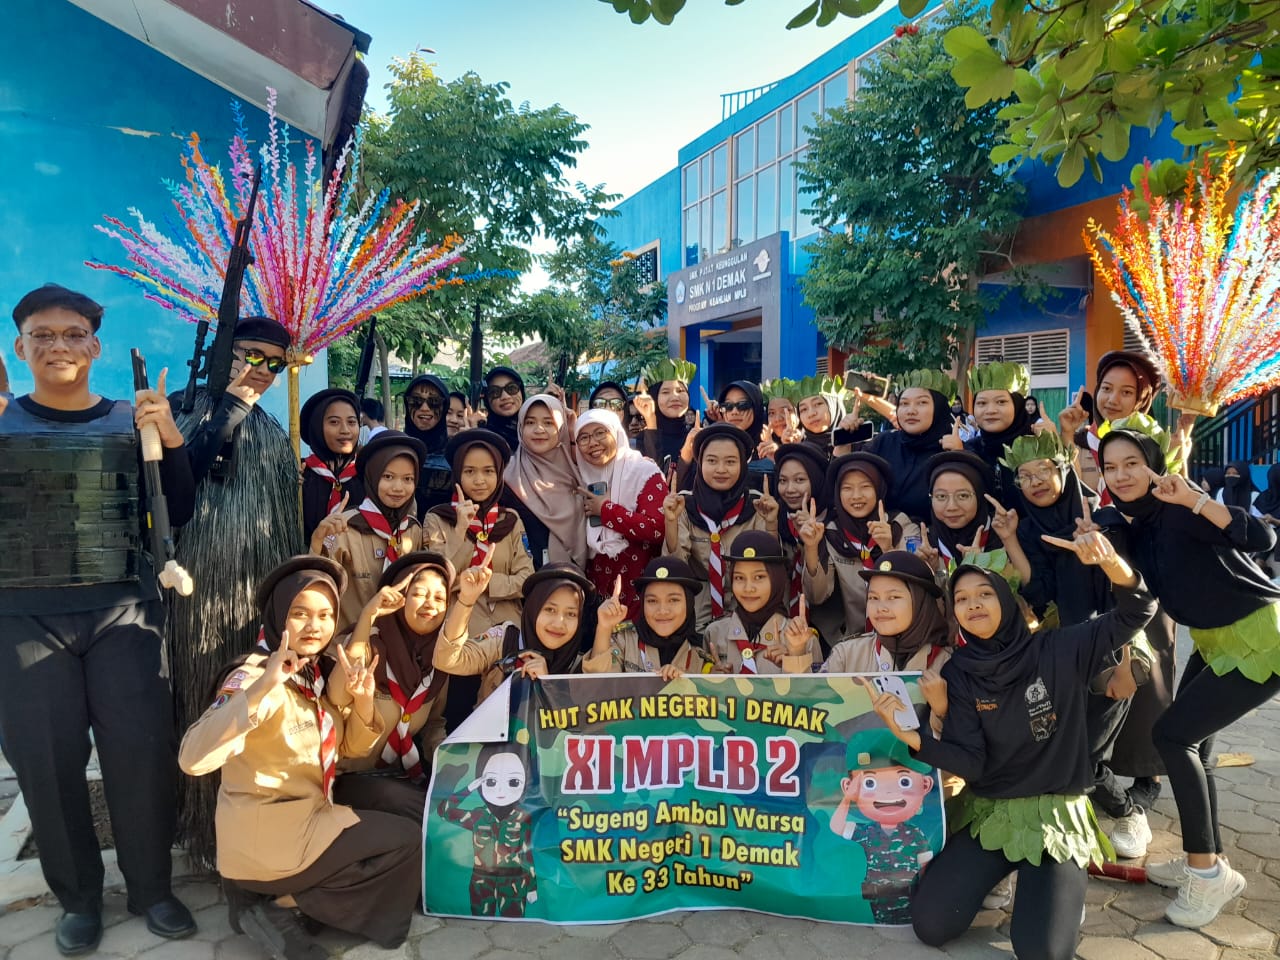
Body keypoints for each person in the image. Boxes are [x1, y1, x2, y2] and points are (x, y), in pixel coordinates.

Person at [0, 283, 197, 955]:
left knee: (139, 758)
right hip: (24, 619)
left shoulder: (129, 419)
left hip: (124, 613)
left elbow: (178, 508)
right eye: (43, 335)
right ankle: (79, 899)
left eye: (73, 334)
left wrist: (169, 435)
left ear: (95, 346)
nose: (58, 346)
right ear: (20, 346)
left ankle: (152, 889)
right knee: (47, 767)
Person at [867, 536, 1155, 960]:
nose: (973, 604)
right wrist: (914, 739)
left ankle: (1056, 892)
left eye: (984, 594)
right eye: (961, 598)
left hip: (1055, 818)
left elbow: (1138, 610)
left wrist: (1113, 563)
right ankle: (1016, 882)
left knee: (1042, 951)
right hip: (992, 814)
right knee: (931, 925)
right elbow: (972, 763)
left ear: (1005, 599)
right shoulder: (960, 672)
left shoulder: (1061, 647)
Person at [180, 556, 421, 955]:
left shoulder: (314, 672)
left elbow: (348, 750)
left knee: (397, 805)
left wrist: (363, 702)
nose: (314, 626)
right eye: (300, 614)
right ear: (279, 616)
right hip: (269, 833)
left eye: (325, 615)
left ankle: (283, 903)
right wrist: (263, 688)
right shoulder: (253, 675)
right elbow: (193, 758)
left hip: (307, 812)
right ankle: (282, 906)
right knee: (404, 841)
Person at [1098, 423, 1280, 926]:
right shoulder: (1137, 526)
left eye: (1132, 463)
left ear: (1153, 465)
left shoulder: (1180, 507)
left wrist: (1197, 500)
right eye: (1111, 467)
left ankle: (1205, 873)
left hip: (1259, 636)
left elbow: (1263, 537)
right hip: (1215, 639)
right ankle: (1209, 857)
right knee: (1194, 747)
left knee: (1173, 737)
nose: (1121, 475)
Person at [167, 314, 305, 869]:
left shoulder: (273, 432)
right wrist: (228, 410)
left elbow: (285, 523)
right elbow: (176, 494)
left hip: (255, 598)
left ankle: (248, 834)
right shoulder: (183, 412)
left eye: (275, 362)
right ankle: (200, 830)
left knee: (251, 704)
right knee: (200, 701)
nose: (262, 369)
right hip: (197, 597)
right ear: (225, 351)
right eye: (252, 355)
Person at [1005, 431, 1154, 858]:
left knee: (1085, 754)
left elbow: (1132, 595)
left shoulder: (1105, 520)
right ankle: (1079, 816)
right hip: (1066, 651)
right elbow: (1039, 591)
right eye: (1024, 476)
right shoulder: (1030, 529)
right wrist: (1011, 539)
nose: (1035, 482)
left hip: (1115, 649)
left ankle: (1129, 813)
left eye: (1043, 471)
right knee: (1062, 746)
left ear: (1064, 470)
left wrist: (1125, 662)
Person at [330, 552, 457, 815]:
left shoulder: (439, 661)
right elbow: (337, 696)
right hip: (343, 776)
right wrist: (367, 616)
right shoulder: (367, 643)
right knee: (420, 807)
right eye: (419, 594)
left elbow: (433, 724)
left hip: (397, 777)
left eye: (439, 598)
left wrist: (451, 763)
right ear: (400, 598)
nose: (430, 604)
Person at [664, 423, 779, 628]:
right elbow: (675, 568)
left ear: (742, 464)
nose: (721, 469)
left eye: (730, 461)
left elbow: (771, 572)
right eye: (711, 460)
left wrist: (771, 525)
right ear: (700, 462)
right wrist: (671, 523)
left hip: (747, 611)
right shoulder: (684, 505)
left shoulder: (757, 505)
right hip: (697, 615)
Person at [310, 431, 427, 631]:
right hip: (349, 640)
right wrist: (318, 542)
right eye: (388, 477)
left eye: (408, 479)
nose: (398, 487)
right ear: (372, 476)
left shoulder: (412, 529)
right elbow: (317, 584)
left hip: (399, 640)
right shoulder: (343, 527)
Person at [822, 551, 951, 731]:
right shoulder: (846, 655)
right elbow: (812, 716)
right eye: (873, 598)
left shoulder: (947, 663)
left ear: (921, 602)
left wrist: (942, 712)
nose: (881, 608)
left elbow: (964, 741)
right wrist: (796, 656)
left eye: (893, 597)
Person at [423, 429, 533, 638]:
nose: (479, 480)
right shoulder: (437, 519)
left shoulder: (509, 520)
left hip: (509, 630)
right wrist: (459, 531)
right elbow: (436, 580)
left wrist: (484, 584)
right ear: (457, 473)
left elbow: (526, 579)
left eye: (488, 471)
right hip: (458, 633)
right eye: (469, 471)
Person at [434, 563, 596, 702]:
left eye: (571, 614)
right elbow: (446, 660)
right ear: (533, 608)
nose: (559, 623)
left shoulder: (578, 667)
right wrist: (466, 600)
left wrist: (546, 686)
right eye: (550, 609)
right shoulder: (504, 642)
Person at [806, 453, 915, 639]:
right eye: (847, 488)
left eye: (865, 487)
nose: (856, 496)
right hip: (850, 640)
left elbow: (916, 592)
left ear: (879, 489)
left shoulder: (901, 526)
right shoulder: (831, 532)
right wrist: (811, 547)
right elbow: (817, 597)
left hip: (903, 635)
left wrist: (889, 551)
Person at [573, 410, 667, 621]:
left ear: (616, 433)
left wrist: (606, 510)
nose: (593, 443)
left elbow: (657, 528)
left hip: (640, 589)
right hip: (597, 595)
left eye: (600, 433)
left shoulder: (643, 471)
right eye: (584, 438)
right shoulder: (580, 477)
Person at [703, 531, 819, 673]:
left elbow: (818, 687)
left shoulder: (804, 639)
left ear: (776, 579)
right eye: (739, 578)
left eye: (759, 577)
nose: (748, 588)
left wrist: (796, 656)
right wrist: (711, 680)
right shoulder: (714, 633)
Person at [583, 557, 716, 676]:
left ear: (689, 603)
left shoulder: (700, 658)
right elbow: (596, 685)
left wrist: (718, 681)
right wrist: (604, 628)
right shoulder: (624, 641)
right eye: (652, 601)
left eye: (673, 600)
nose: (662, 611)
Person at [916, 451, 1030, 587]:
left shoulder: (1003, 533)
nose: (951, 507)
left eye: (963, 496)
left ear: (980, 496)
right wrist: (930, 572)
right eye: (941, 496)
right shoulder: (927, 544)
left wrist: (986, 568)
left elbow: (1028, 588)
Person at [503, 394, 588, 571]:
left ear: (561, 428)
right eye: (530, 422)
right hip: (522, 578)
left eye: (549, 423)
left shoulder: (579, 475)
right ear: (520, 427)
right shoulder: (506, 476)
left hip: (573, 579)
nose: (539, 429)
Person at [865, 369, 956, 524]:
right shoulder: (883, 443)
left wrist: (961, 458)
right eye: (904, 403)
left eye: (922, 403)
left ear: (939, 407)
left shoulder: (952, 450)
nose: (911, 411)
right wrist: (843, 443)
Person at [961, 361, 1036, 510]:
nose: (990, 410)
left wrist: (1066, 437)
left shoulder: (1037, 446)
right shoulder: (969, 448)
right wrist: (958, 456)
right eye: (982, 403)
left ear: (1017, 404)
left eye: (1001, 402)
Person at [300, 388, 363, 542]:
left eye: (351, 422)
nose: (345, 430)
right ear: (316, 427)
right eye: (334, 422)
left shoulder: (367, 474)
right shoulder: (301, 473)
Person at [401, 374, 452, 514]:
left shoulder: (454, 453)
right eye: (416, 401)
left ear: (444, 406)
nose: (424, 408)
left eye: (434, 402)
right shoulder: (395, 448)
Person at [635, 358, 697, 470]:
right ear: (654, 397)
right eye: (665, 392)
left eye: (680, 391)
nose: (675, 397)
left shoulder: (696, 437)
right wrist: (651, 421)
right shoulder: (641, 440)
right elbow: (651, 474)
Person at [482, 366, 525, 452]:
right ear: (487, 399)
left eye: (511, 388)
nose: (505, 397)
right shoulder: (483, 435)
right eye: (494, 392)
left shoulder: (537, 426)